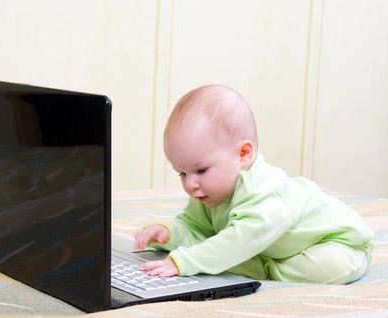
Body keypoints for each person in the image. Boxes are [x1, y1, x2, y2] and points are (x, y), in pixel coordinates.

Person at [133, 84, 373, 284]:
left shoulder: (265, 190)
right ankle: (256, 262)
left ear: (244, 153)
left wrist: (185, 261)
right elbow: (195, 228)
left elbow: (240, 240)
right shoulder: (208, 192)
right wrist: (169, 234)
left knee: (327, 266)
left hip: (338, 242)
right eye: (181, 173)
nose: (190, 184)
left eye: (201, 170)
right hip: (266, 247)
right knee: (217, 245)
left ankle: (263, 269)